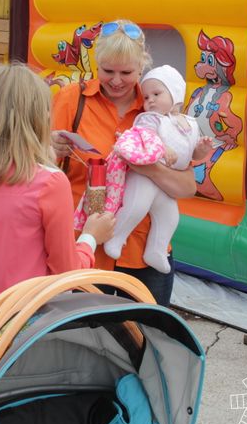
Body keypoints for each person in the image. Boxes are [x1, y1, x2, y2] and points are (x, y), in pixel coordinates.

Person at [51, 20, 197, 306]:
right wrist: (50, 147)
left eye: (127, 72)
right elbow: (40, 170)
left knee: (148, 342)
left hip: (142, 249)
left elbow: (187, 187)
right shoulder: (72, 100)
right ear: (96, 64)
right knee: (88, 341)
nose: (116, 80)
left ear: (141, 67)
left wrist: (146, 166)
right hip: (86, 245)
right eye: (108, 71)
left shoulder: (157, 103)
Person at [0, 63, 116, 302]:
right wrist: (90, 236)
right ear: (37, 116)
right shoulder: (49, 183)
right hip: (31, 321)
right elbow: (67, 273)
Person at [100, 65, 214, 273]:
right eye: (146, 97)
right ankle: (116, 237)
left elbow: (191, 156)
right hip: (143, 177)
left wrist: (201, 149)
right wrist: (163, 148)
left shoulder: (190, 123)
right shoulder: (149, 118)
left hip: (166, 184)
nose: (150, 100)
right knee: (137, 205)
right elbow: (145, 135)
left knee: (170, 217)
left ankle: (157, 250)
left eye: (156, 94)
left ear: (175, 94)